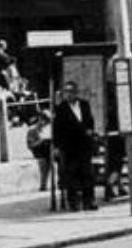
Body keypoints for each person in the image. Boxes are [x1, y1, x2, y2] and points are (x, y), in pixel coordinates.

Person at [52, 81, 97, 211]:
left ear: (76, 93)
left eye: (71, 91)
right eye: (66, 92)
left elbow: (90, 120)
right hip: (69, 146)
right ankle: (73, 202)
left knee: (87, 173)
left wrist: (90, 131)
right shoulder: (61, 108)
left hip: (84, 144)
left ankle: (89, 200)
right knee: (71, 174)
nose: (69, 94)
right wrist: (57, 146)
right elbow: (57, 128)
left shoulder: (84, 104)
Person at [25, 110, 53, 191]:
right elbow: (30, 145)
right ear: (40, 119)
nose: (45, 124)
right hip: (38, 150)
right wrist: (40, 141)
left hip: (49, 150)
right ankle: (43, 184)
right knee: (44, 160)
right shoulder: (32, 130)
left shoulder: (50, 128)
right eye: (44, 120)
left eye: (47, 122)